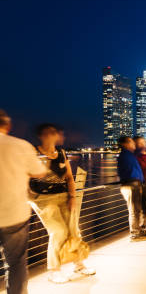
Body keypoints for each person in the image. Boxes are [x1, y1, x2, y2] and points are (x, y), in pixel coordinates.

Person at [28, 124, 95, 283]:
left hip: (64, 196)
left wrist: (72, 197)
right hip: (43, 200)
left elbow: (69, 178)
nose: (58, 135)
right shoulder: (34, 152)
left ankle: (78, 264)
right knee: (58, 231)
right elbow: (24, 175)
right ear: (43, 135)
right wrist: (31, 198)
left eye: (57, 133)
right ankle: (54, 270)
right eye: (53, 133)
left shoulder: (61, 153)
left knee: (74, 231)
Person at [0, 110, 47, 294]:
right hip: (15, 214)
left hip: (15, 214)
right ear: (8, 126)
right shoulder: (21, 145)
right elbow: (39, 172)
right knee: (16, 263)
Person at [117, 136, 146, 241]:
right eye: (132, 143)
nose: (134, 145)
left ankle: (140, 230)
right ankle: (135, 233)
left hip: (134, 184)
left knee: (137, 209)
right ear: (126, 144)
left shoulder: (129, 155)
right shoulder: (125, 155)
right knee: (134, 210)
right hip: (130, 185)